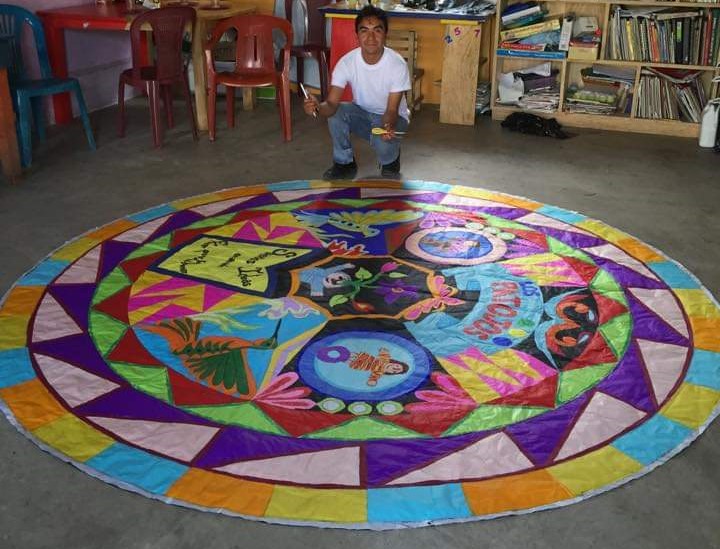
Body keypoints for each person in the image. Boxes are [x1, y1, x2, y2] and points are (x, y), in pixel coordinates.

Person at [303, 5, 411, 180]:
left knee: (381, 143)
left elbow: (391, 110)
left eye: (377, 30)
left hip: (392, 119)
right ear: (357, 35)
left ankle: (391, 159)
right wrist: (316, 107)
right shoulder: (346, 63)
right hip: (362, 113)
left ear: (385, 34)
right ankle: (344, 163)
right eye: (364, 31)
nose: (370, 37)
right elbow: (330, 105)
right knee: (338, 112)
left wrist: (387, 127)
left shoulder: (397, 64)